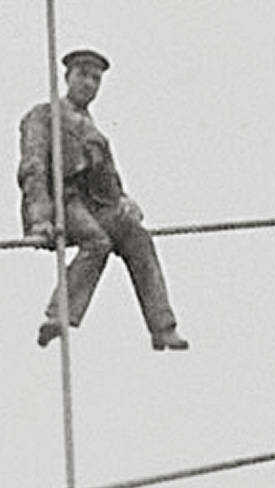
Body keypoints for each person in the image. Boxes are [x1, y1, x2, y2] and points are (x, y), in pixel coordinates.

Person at [17, 49, 188, 350]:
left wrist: (125, 203)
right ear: (68, 77)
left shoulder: (96, 134)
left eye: (95, 79)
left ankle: (162, 327)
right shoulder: (44, 116)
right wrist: (40, 219)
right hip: (63, 202)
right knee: (97, 242)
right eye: (83, 75)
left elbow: (109, 181)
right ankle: (60, 314)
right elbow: (33, 168)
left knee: (137, 237)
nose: (88, 84)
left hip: (97, 205)